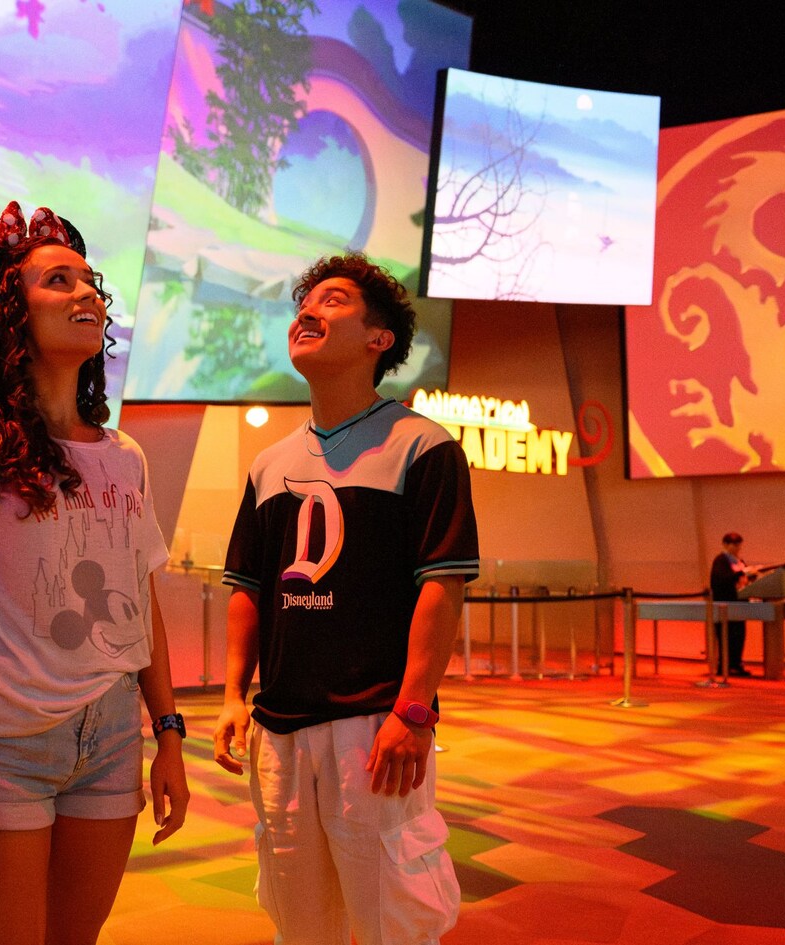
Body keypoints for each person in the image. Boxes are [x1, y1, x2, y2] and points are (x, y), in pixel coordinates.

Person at [0, 202, 189, 945]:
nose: (87, 294)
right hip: (5, 745)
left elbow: (141, 606)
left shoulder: (123, 456)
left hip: (110, 737)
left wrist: (168, 734)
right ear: (12, 317)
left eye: (88, 281)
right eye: (58, 281)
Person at [212, 253, 478, 945]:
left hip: (376, 728)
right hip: (279, 732)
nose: (307, 312)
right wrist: (233, 694)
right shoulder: (269, 465)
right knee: (298, 921)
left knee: (394, 916)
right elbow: (247, 589)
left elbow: (442, 588)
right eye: (303, 302)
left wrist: (413, 709)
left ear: (378, 338)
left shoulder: (424, 446)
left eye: (331, 301)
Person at [709, 532, 761, 677]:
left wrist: (751, 574)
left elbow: (743, 578)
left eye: (738, 544)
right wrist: (740, 574)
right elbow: (720, 580)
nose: (737, 547)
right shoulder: (721, 560)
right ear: (725, 545)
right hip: (725, 605)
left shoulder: (739, 561)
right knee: (727, 636)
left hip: (739, 604)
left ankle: (736, 663)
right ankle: (725, 665)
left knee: (738, 635)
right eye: (733, 544)